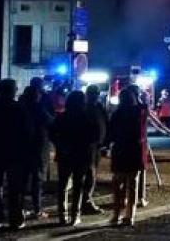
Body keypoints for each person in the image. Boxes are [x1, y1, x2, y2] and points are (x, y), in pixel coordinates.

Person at [0, 79, 33, 230]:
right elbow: (28, 132)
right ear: (13, 90)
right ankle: (15, 218)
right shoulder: (19, 109)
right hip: (15, 154)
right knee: (15, 188)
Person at [50, 90, 97, 226]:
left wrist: (60, 146)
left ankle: (62, 215)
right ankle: (75, 215)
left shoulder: (62, 117)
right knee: (78, 186)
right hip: (81, 155)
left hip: (65, 154)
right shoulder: (86, 117)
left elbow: (52, 133)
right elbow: (94, 135)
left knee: (63, 185)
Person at [109, 87, 149, 226]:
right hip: (135, 152)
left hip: (120, 151)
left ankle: (116, 214)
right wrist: (141, 98)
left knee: (118, 185)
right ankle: (130, 216)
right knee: (132, 185)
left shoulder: (117, 114)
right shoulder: (139, 113)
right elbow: (144, 107)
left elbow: (111, 133)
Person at [19, 86, 53, 220]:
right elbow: (52, 123)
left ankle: (20, 208)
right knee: (37, 181)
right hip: (38, 150)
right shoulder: (39, 109)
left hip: (22, 149)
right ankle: (37, 209)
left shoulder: (20, 109)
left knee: (22, 181)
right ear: (36, 96)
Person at [82, 85, 108, 214]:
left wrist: (105, 144)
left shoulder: (99, 107)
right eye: (93, 94)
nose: (95, 96)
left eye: (96, 94)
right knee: (88, 175)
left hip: (97, 147)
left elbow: (105, 125)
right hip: (87, 147)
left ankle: (86, 200)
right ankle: (85, 202)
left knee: (92, 175)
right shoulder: (84, 108)